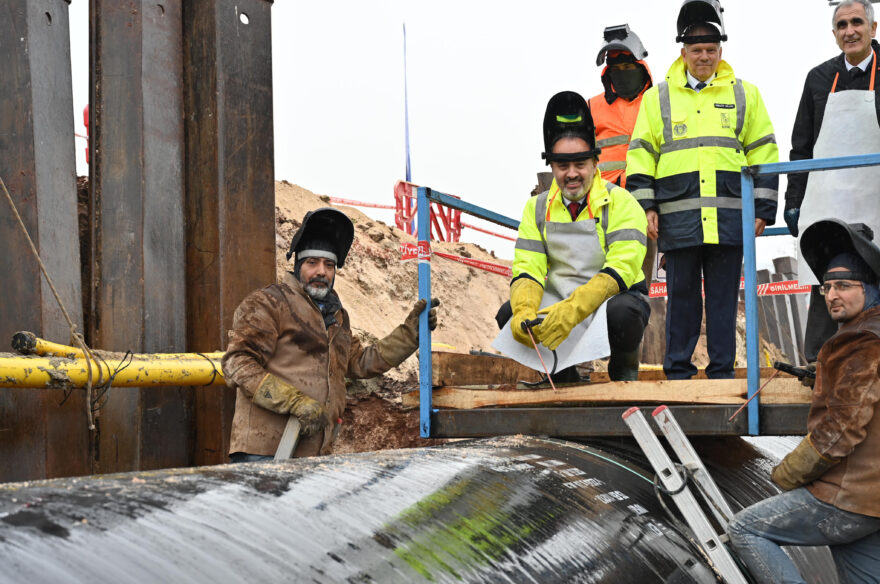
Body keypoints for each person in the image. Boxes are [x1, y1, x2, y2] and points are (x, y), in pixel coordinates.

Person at [727, 219, 880, 584]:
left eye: (844, 286)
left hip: (852, 496)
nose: (833, 295)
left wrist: (786, 474)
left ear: (869, 287)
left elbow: (842, 430)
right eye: (827, 287)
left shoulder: (865, 340)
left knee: (746, 529)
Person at [625, 0, 779, 379]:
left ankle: (722, 373)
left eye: (711, 50)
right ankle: (677, 370)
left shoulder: (746, 95)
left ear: (721, 52)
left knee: (724, 300)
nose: (704, 57)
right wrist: (646, 206)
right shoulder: (657, 98)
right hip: (678, 220)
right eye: (697, 50)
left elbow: (765, 151)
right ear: (683, 52)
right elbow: (641, 154)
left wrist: (762, 207)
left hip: (728, 218)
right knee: (682, 300)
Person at [222, 208, 439, 461]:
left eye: (329, 265)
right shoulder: (269, 302)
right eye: (312, 263)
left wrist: (410, 335)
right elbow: (237, 363)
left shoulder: (337, 317)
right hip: (264, 452)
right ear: (298, 266)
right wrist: (293, 401)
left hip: (313, 453)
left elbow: (360, 362)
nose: (321, 272)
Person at [786, 0, 880, 363]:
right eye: (842, 25)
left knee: (874, 286)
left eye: (857, 22)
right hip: (824, 204)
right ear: (834, 34)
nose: (850, 31)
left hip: (877, 206)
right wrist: (793, 200)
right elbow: (801, 146)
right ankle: (818, 366)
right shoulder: (817, 78)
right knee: (825, 287)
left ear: (873, 28)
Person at [493, 91, 650, 382]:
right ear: (551, 168)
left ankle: (624, 372)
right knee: (508, 314)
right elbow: (528, 266)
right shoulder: (537, 208)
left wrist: (572, 309)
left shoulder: (622, 203)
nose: (572, 174)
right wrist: (525, 307)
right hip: (559, 299)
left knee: (626, 312)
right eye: (563, 167)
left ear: (595, 163)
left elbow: (621, 269)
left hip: (609, 299)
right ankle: (562, 379)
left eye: (580, 165)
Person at [590, 24, 653, 188]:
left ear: (640, 67)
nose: (622, 73)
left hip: (649, 196)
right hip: (605, 199)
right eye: (616, 69)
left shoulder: (657, 102)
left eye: (627, 67)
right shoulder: (591, 107)